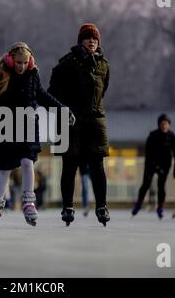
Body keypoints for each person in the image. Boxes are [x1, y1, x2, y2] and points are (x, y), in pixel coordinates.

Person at [0, 42, 74, 227]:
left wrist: (63, 110)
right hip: (6, 127)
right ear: (11, 59)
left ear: (30, 61)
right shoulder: (1, 75)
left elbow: (43, 96)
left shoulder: (33, 75)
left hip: (28, 126)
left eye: (25, 62)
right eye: (18, 62)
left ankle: (29, 202)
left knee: (27, 162)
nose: (22, 66)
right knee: (4, 168)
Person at [48, 23, 111, 226]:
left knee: (97, 166)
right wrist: (65, 109)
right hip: (71, 120)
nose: (92, 41)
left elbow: (103, 90)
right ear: (80, 41)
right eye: (87, 38)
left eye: (95, 38)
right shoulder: (66, 64)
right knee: (69, 165)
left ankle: (101, 206)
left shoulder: (104, 65)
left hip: (95, 121)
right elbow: (52, 92)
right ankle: (68, 207)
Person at [132, 114, 175, 219]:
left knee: (161, 186)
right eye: (162, 124)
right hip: (151, 163)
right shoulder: (153, 135)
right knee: (146, 184)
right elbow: (148, 152)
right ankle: (138, 204)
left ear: (169, 125)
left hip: (165, 164)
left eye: (166, 124)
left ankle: (160, 208)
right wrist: (153, 165)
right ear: (159, 125)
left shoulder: (173, 137)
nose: (164, 126)